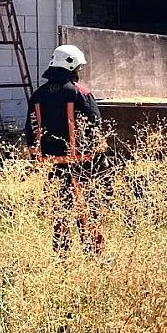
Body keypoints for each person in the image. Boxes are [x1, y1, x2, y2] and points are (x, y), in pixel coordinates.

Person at [26, 44, 106, 254]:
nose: (79, 71)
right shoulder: (81, 92)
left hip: (51, 166)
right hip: (81, 164)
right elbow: (95, 124)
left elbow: (31, 131)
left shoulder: (37, 95)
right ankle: (95, 254)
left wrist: (36, 159)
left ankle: (62, 255)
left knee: (59, 210)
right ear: (71, 67)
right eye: (78, 68)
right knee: (88, 209)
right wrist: (99, 155)